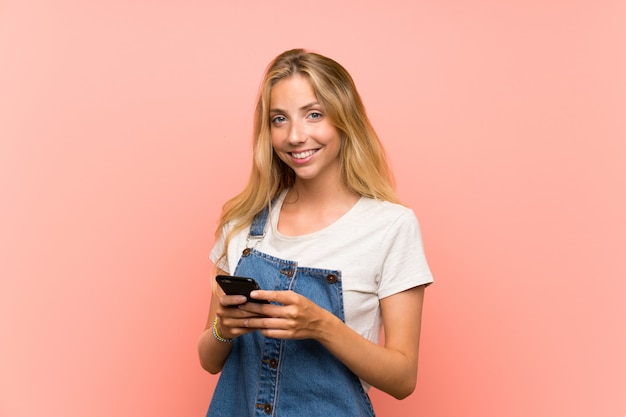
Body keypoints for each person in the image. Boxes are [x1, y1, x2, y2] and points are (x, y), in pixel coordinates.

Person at [198, 48, 433, 417]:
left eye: (314, 115)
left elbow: (403, 378)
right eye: (279, 119)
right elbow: (209, 360)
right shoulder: (243, 223)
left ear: (344, 120)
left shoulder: (390, 227)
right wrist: (223, 329)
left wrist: (322, 327)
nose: (295, 135)